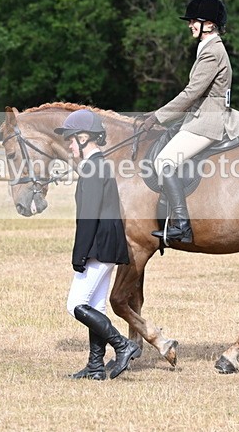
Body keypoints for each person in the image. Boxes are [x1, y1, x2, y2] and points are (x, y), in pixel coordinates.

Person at [139, 0, 239, 243]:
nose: (190, 25)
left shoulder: (213, 51)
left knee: (164, 161)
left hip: (207, 121)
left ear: (210, 24)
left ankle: (181, 225)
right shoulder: (207, 48)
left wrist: (158, 116)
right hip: (200, 117)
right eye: (191, 21)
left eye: (194, 21)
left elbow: (193, 92)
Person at [54, 109, 140, 381]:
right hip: (107, 245)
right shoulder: (101, 165)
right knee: (97, 306)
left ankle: (123, 345)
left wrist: (78, 254)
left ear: (83, 138)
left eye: (70, 140)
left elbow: (88, 217)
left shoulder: (92, 167)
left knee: (76, 304)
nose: (68, 145)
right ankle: (95, 366)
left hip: (98, 247)